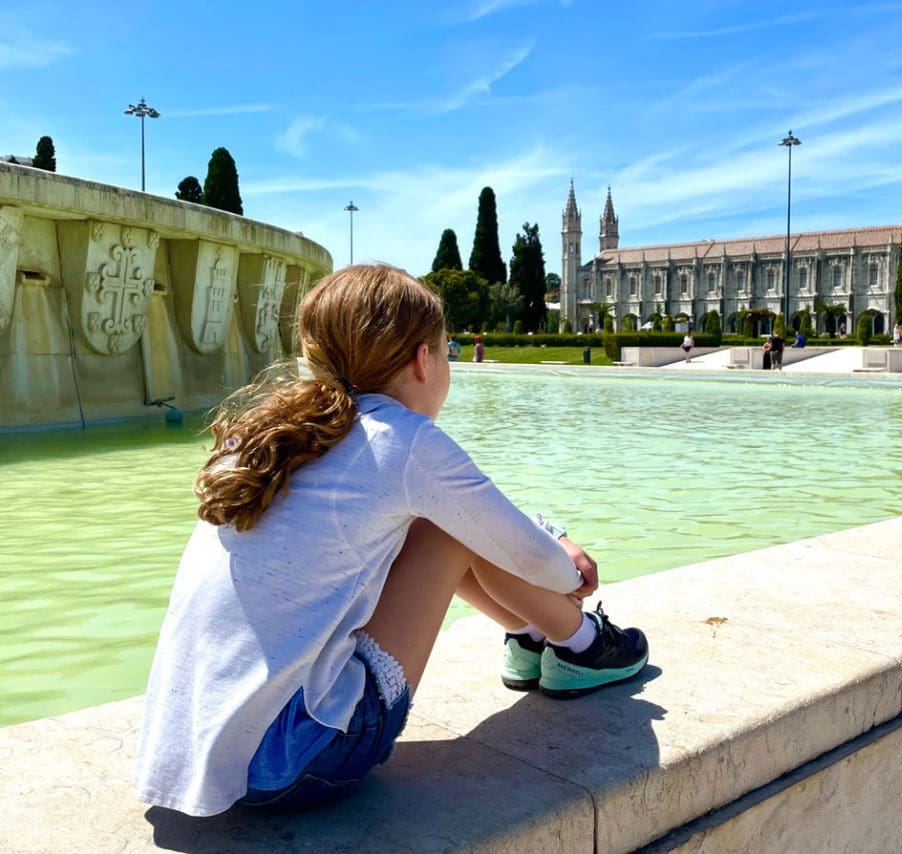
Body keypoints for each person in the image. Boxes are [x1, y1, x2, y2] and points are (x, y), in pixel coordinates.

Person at [134, 264, 648, 818]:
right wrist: (570, 568)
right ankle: (583, 646)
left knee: (436, 523)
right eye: (446, 349)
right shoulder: (401, 439)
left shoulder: (267, 433)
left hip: (199, 750)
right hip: (298, 765)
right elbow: (527, 555)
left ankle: (526, 637)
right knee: (447, 530)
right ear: (422, 361)